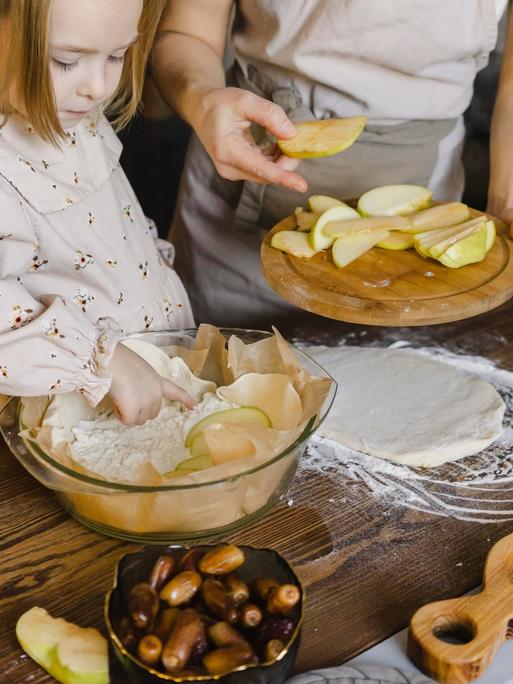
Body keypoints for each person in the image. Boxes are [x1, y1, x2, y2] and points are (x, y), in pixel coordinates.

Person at [152, 0, 512, 327]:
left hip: (420, 231)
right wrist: (202, 99)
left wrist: (507, 204)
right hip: (236, 201)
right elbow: (187, 30)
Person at [0, 0, 195, 426]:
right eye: (65, 60)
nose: (100, 87)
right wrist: (96, 358)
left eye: (117, 55)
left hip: (156, 369)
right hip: (82, 412)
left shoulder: (69, 111)